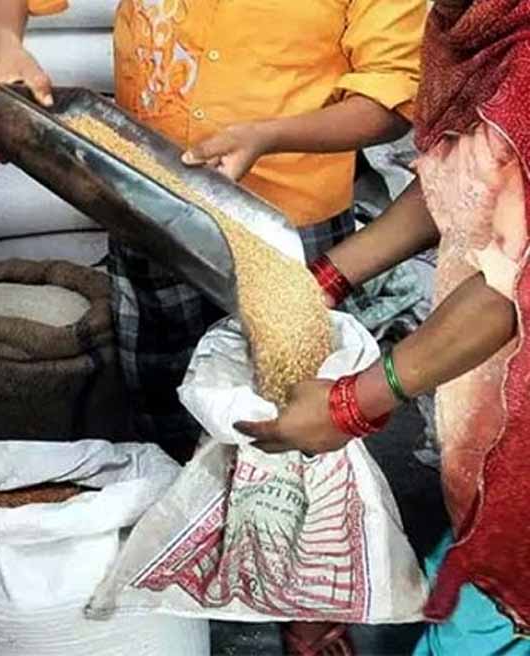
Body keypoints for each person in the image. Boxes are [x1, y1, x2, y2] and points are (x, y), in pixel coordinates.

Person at [0, 1, 425, 653]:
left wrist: (268, 136)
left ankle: (307, 598)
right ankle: (186, 559)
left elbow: (392, 101)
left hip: (285, 231)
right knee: (164, 398)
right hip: (148, 205)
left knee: (296, 425)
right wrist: (4, 44)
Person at [237, 0, 530, 653]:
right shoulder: (480, 28)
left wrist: (353, 404)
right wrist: (322, 281)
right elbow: (461, 178)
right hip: (492, 403)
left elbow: (508, 286)